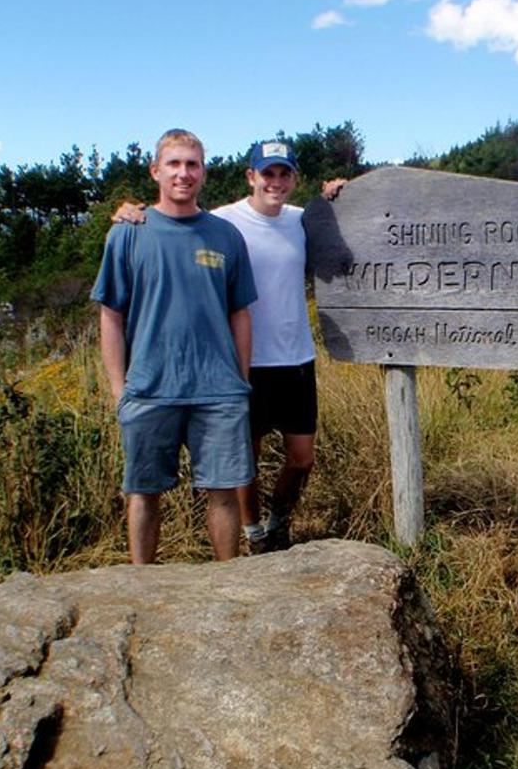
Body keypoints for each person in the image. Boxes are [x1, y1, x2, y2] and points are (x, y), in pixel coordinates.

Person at [114, 141, 345, 554]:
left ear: (294, 178)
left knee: (302, 458)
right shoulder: (225, 222)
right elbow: (176, 221)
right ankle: (254, 533)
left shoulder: (302, 220)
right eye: (267, 173)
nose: (275, 181)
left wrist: (339, 193)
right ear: (251, 176)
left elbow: (347, 221)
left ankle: (280, 521)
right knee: (243, 466)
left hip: (296, 358)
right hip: (241, 363)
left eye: (284, 173)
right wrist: (129, 212)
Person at [92, 128, 257, 564]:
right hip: (149, 388)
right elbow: (111, 314)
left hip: (218, 390)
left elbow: (240, 312)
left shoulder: (225, 236)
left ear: (204, 172)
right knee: (143, 492)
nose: (184, 173)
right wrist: (118, 389)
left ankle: (229, 583)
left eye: (192, 164)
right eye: (174, 164)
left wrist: (241, 380)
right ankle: (143, 587)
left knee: (223, 492)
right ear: (155, 171)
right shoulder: (128, 234)